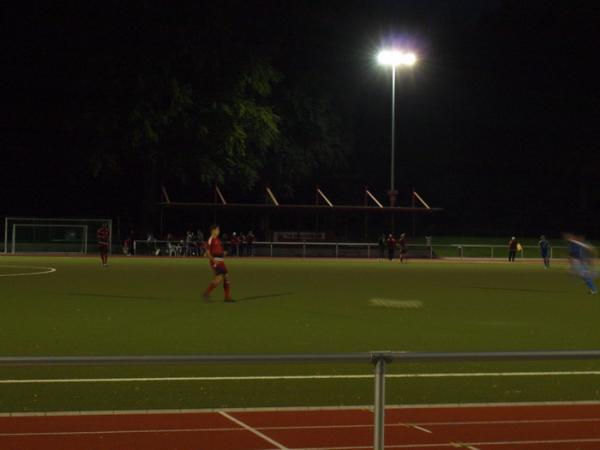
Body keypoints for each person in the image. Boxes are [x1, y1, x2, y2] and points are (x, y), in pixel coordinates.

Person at [203, 225, 233, 302]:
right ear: (213, 230)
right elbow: (207, 253)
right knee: (219, 278)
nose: (219, 231)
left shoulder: (218, 240)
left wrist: (223, 253)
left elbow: (218, 252)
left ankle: (227, 297)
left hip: (221, 261)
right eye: (218, 229)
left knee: (226, 277)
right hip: (216, 261)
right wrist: (213, 260)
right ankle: (206, 293)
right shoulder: (210, 240)